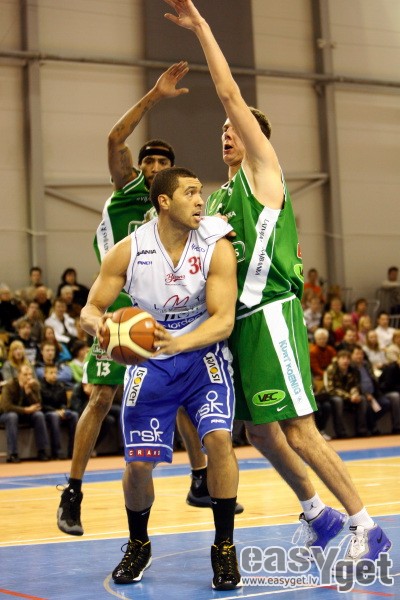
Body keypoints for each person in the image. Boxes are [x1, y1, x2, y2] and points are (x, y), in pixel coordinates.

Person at [164, 0, 391, 562]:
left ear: (256, 138)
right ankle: (318, 514)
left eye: (235, 127)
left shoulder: (264, 173)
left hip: (270, 315)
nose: (227, 132)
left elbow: (228, 94)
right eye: (222, 130)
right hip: (235, 325)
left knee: (301, 430)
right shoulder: (218, 199)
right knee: (261, 432)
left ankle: (367, 526)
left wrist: (201, 28)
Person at [56, 62, 243, 540]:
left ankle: (200, 477)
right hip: (120, 305)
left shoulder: (189, 213)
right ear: (140, 169)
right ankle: (73, 490)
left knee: (181, 387)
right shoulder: (127, 189)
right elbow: (114, 139)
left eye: (164, 161)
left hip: (168, 309)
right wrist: (156, 96)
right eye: (150, 160)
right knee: (101, 396)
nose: (156, 166)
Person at [80, 166, 241, 590]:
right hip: (150, 361)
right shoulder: (128, 251)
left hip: (202, 355)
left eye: (201, 192)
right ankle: (139, 543)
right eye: (190, 193)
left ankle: (224, 546)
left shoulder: (216, 245)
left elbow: (223, 321)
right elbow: (89, 309)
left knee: (219, 440)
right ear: (164, 202)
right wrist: (102, 327)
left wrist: (179, 343)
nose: (200, 200)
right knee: (137, 463)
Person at [0, 364, 49, 462]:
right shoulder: (10, 385)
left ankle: (42, 451)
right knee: (12, 416)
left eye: (30, 374)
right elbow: (6, 406)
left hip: (25, 415)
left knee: (39, 415)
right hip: (6, 415)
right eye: (25, 374)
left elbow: (38, 405)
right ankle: (13, 454)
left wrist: (29, 393)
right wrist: (25, 410)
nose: (29, 377)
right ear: (19, 375)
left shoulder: (34, 385)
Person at [324, 350, 369, 438]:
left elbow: (357, 384)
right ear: (337, 360)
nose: (345, 361)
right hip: (334, 396)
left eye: (348, 359)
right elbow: (330, 389)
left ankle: (362, 430)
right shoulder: (331, 369)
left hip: (350, 396)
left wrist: (355, 392)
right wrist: (349, 396)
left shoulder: (353, 369)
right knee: (338, 401)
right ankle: (340, 432)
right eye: (343, 358)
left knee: (362, 399)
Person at [40, 365, 79, 459]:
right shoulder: (40, 386)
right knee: (54, 416)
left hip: (60, 411)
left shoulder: (60, 385)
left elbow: (64, 402)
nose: (54, 375)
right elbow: (41, 404)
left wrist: (63, 409)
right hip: (47, 412)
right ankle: (56, 451)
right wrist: (55, 411)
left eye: (55, 373)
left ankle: (73, 451)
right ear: (45, 374)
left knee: (74, 415)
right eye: (51, 373)